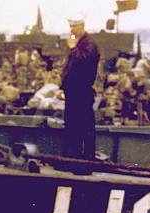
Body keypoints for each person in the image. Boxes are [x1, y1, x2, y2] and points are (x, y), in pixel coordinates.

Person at [60, 14, 100, 160]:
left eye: (74, 26)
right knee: (72, 125)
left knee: (83, 127)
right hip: (73, 91)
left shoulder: (89, 43)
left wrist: (72, 47)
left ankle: (84, 160)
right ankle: (72, 157)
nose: (72, 29)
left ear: (82, 26)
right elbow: (70, 67)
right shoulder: (80, 43)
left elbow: (84, 61)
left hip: (81, 92)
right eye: (70, 26)